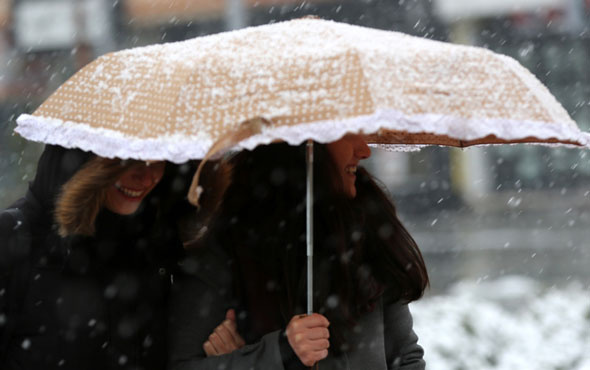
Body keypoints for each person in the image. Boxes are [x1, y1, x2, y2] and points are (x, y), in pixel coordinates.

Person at [168, 134, 429, 369]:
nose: (364, 150)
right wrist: (279, 352)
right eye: (349, 135)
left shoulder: (370, 230)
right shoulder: (223, 254)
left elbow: (405, 358)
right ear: (304, 144)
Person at [0, 145, 196, 370]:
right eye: (130, 158)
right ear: (80, 152)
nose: (146, 178)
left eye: (158, 160)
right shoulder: (13, 239)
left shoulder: (154, 247)